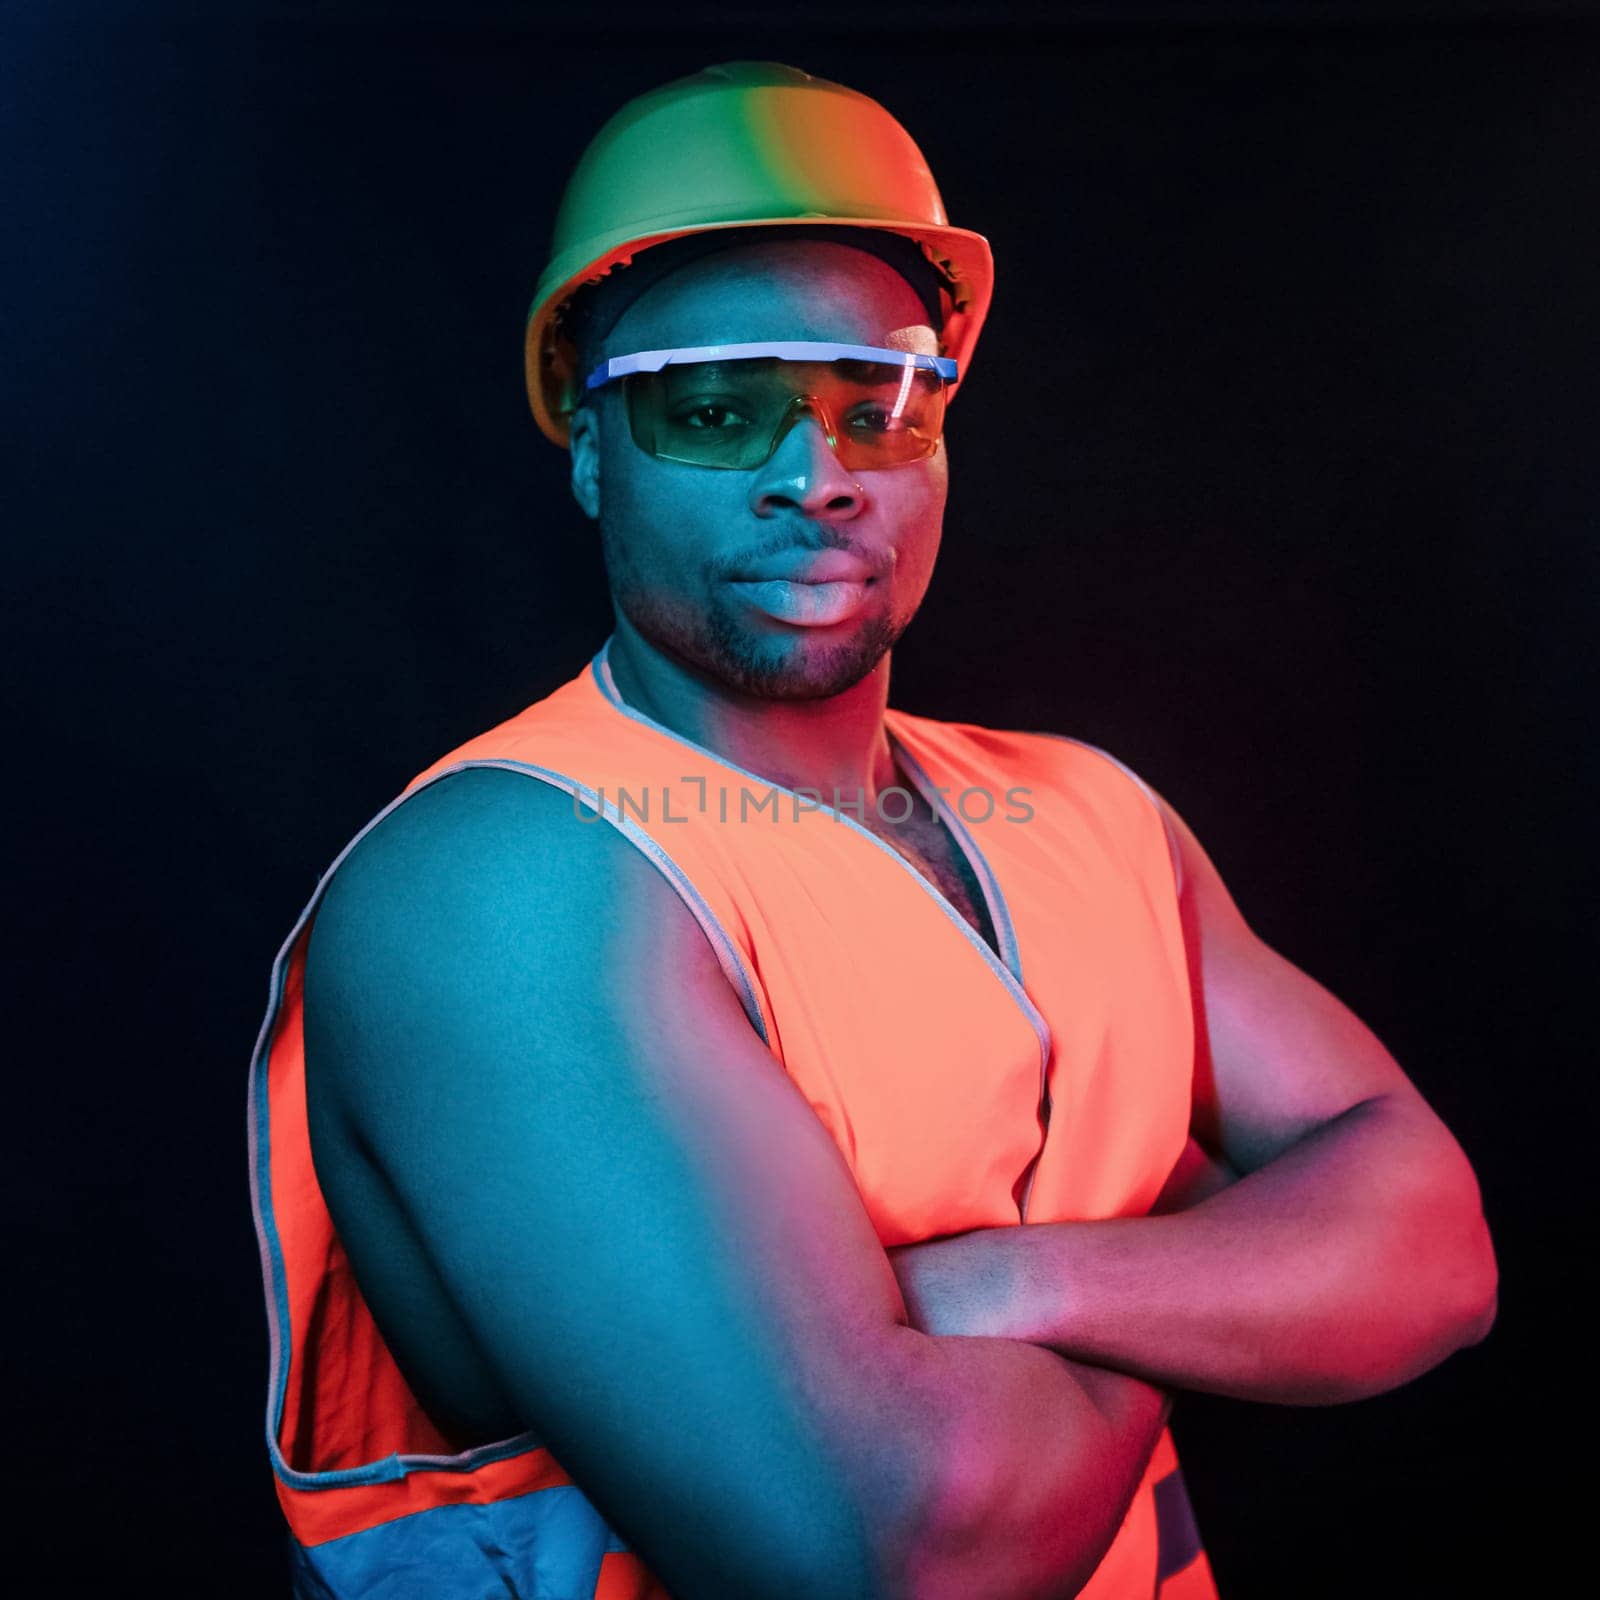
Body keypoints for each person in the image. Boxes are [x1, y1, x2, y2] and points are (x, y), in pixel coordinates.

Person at [247, 61, 1498, 1599]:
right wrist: (1234, 1267)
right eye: (718, 414)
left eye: (878, 407)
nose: (816, 479)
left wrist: (1003, 1282)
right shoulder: (505, 885)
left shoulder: (1089, 813)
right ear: (588, 447)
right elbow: (902, 1541)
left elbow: (1438, 1253)